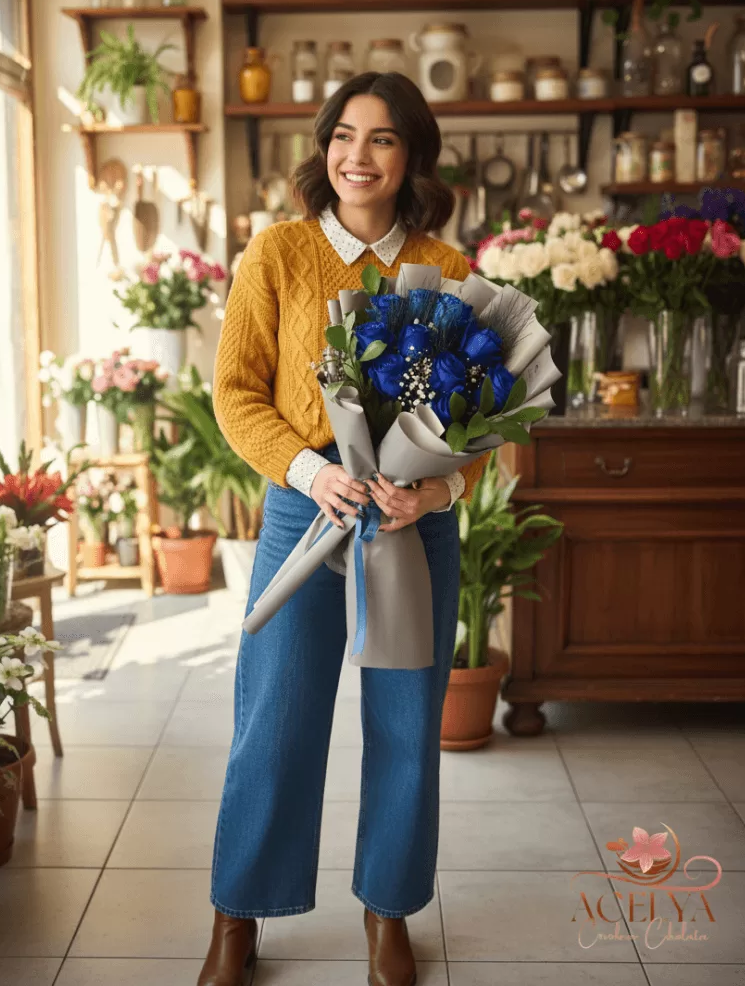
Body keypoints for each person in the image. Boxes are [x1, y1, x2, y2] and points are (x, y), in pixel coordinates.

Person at [200, 71, 490, 986]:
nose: (357, 157)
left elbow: (479, 427)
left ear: (412, 160)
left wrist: (431, 498)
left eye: (382, 140)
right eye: (343, 136)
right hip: (304, 511)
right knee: (276, 722)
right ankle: (238, 914)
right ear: (323, 148)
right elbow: (236, 394)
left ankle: (389, 912)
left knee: (406, 724)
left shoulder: (446, 270)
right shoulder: (277, 254)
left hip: (410, 525)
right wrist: (315, 470)